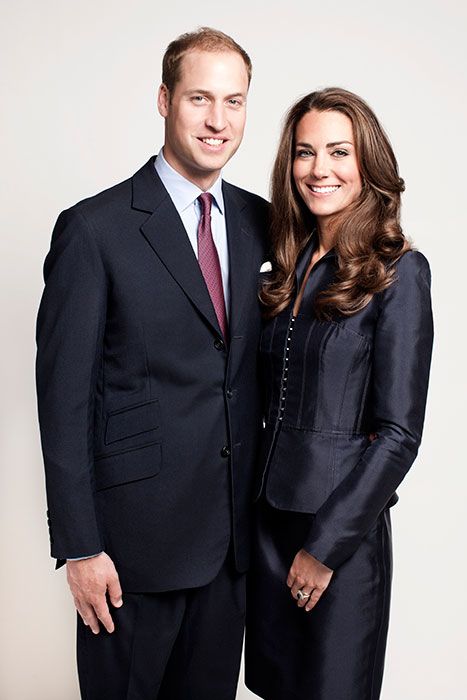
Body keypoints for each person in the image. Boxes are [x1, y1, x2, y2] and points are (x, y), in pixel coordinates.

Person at [36, 27, 268, 700]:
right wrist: (80, 547)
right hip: (129, 556)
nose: (217, 120)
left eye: (234, 101)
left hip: (230, 553)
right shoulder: (94, 230)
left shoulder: (262, 222)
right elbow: (63, 402)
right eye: (200, 98)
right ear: (165, 100)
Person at [245, 87, 433, 700]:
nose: (319, 169)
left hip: (337, 541)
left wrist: (324, 549)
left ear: (367, 163)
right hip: (267, 530)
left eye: (338, 151)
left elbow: (399, 435)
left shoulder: (399, 271)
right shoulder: (285, 266)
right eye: (304, 153)